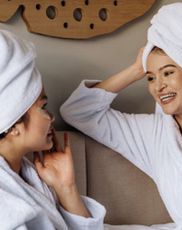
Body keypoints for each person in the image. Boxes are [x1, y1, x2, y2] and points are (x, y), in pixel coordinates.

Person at [60, 1, 182, 230]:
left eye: (168, 73)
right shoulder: (153, 134)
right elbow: (78, 111)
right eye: (150, 78)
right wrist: (135, 70)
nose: (158, 86)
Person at [0, 29, 105, 230]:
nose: (52, 118)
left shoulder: (24, 171)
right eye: (43, 107)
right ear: (14, 123)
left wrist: (66, 187)